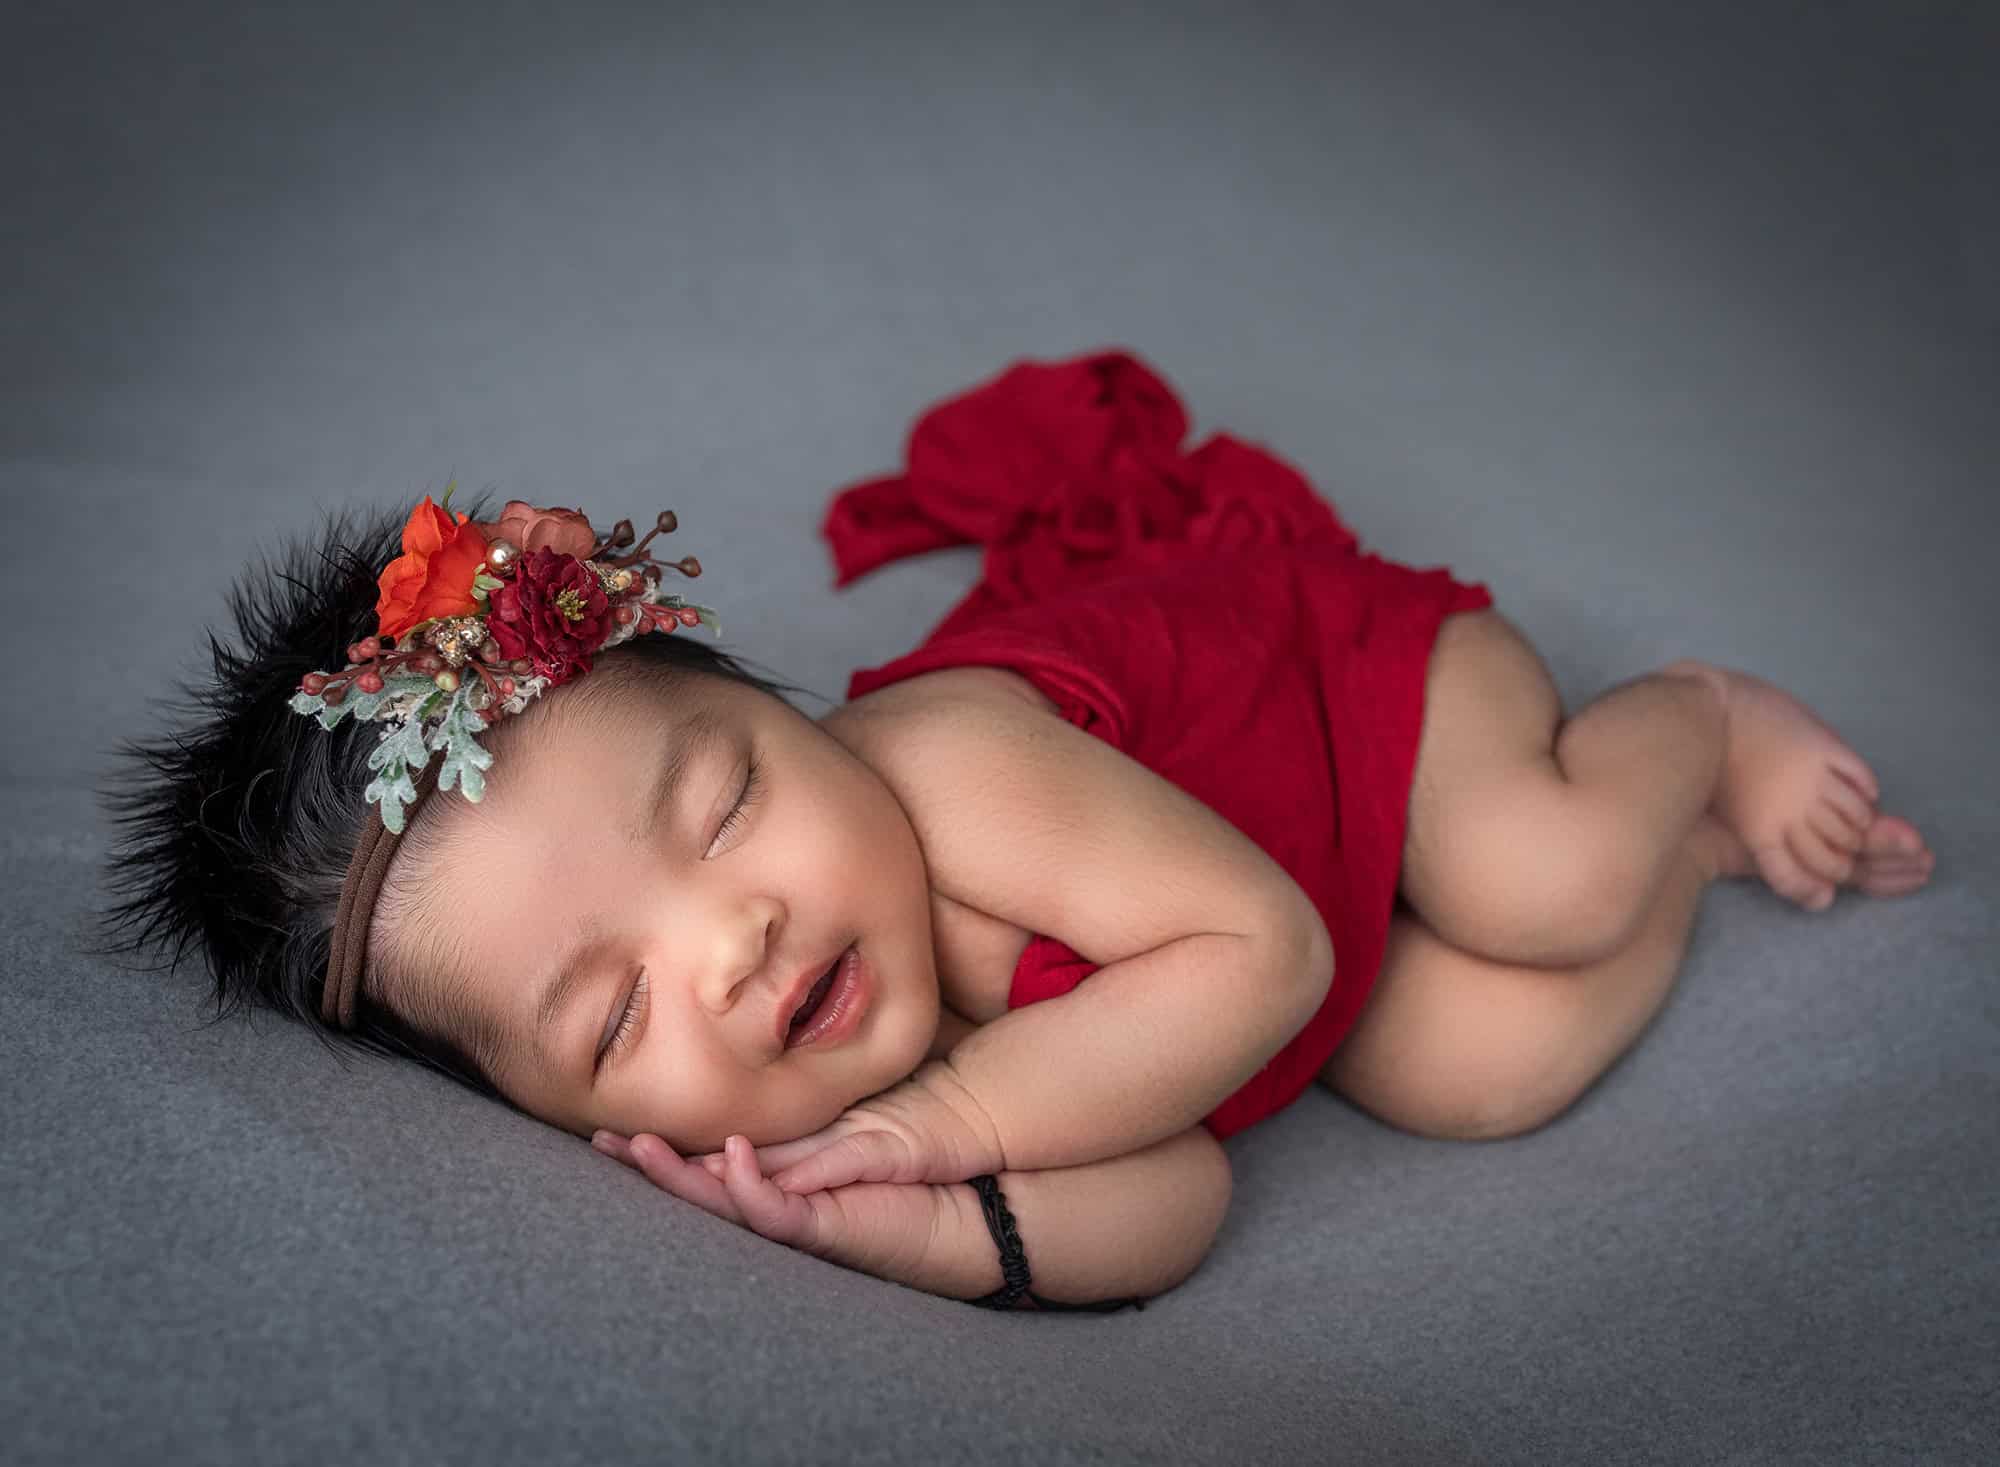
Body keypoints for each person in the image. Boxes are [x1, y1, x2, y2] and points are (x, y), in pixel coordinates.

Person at [93, 349, 1935, 1312]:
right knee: (1478, 1070)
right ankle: (1690, 851)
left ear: (787, 712)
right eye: (611, 1019)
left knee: (1537, 879)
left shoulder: (952, 774)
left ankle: (1688, 719)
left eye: (725, 799)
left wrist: (953, 1122)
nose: (725, 943)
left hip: (1342, 682)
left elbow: (1269, 955)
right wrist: (911, 1222)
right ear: (568, 1120)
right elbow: (1184, 1181)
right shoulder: (837, 1059)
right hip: (1270, 907)